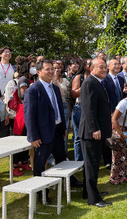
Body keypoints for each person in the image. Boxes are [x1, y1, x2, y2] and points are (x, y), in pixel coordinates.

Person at [24, 60, 81, 204]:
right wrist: (33, 136)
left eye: (52, 69)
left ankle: (70, 182)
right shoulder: (33, 90)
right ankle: (42, 193)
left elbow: (59, 109)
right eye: (48, 69)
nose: (51, 72)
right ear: (38, 72)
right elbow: (29, 115)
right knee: (40, 163)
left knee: (62, 158)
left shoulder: (55, 88)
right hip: (42, 134)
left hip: (57, 130)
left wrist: (63, 128)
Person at [78, 58, 111, 207]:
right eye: (101, 67)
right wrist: (94, 129)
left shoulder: (97, 82)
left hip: (97, 130)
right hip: (91, 132)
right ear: (92, 69)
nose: (104, 70)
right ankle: (94, 199)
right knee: (92, 165)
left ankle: (89, 192)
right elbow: (88, 109)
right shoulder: (89, 83)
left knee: (93, 165)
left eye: (105, 67)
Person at [101, 57, 125, 170]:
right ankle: (107, 161)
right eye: (114, 64)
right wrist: (110, 112)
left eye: (118, 64)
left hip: (121, 112)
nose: (117, 66)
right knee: (109, 136)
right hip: (110, 112)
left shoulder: (120, 79)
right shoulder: (105, 79)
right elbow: (105, 98)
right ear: (108, 66)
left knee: (119, 134)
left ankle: (120, 158)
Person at [10, 77, 32, 176]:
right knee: (20, 139)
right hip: (23, 112)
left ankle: (24, 162)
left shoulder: (29, 79)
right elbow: (23, 96)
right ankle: (14, 165)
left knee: (27, 138)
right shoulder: (24, 80)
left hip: (27, 111)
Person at [70, 59, 91, 161]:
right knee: (79, 136)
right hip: (80, 108)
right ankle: (79, 162)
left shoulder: (97, 77)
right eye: (89, 64)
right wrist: (85, 84)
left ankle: (88, 160)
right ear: (84, 66)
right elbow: (74, 94)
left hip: (91, 109)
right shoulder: (80, 77)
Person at [52, 61, 70, 155]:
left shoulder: (65, 81)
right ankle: (51, 157)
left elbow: (63, 94)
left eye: (58, 68)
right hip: (53, 107)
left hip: (64, 106)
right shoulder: (49, 81)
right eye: (54, 68)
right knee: (52, 132)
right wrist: (54, 80)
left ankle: (64, 153)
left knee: (64, 131)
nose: (56, 70)